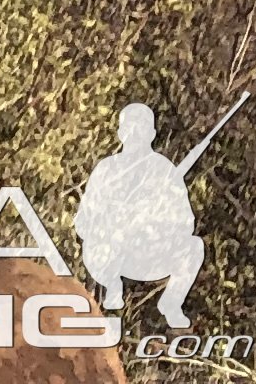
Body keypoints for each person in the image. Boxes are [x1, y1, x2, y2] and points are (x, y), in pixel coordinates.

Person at [76, 102, 208, 329]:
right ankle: (112, 287)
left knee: (194, 247)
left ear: (152, 133)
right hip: (108, 254)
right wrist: (112, 223)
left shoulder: (164, 170)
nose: (136, 133)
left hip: (146, 253)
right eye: (130, 127)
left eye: (142, 127)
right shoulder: (106, 170)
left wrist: (153, 223)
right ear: (120, 132)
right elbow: (83, 221)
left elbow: (185, 222)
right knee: (109, 238)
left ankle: (171, 303)